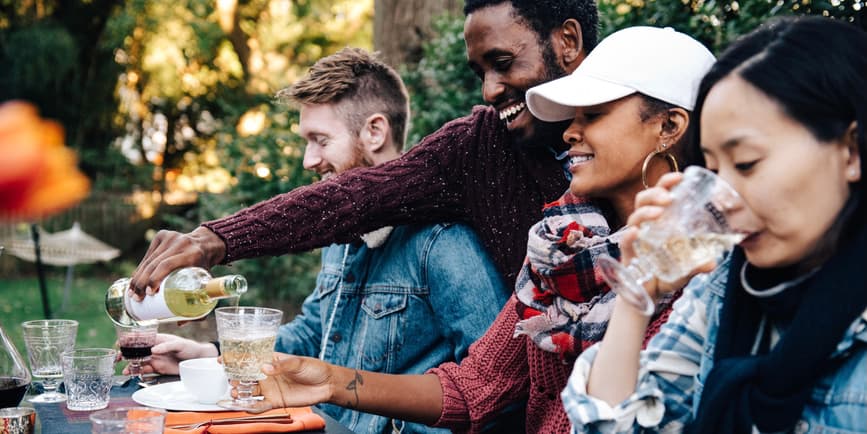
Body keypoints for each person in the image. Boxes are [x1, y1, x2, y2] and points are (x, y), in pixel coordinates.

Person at [253, 27, 716, 434]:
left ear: (668, 125)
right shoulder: (558, 245)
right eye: (571, 118)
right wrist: (331, 381)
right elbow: (475, 389)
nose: (569, 133)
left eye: (591, 115)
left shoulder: (711, 266)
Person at [132, 47, 508, 434]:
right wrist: (210, 357)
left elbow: (496, 392)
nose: (309, 161)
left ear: (375, 131)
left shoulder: (444, 242)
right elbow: (315, 335)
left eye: (321, 140)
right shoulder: (340, 236)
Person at [128, 0, 600, 299]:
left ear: (568, 41)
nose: (490, 91)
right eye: (480, 73)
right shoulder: (477, 148)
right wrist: (215, 239)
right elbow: (352, 197)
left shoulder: (654, 129)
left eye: (502, 63)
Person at [563, 16, 867, 434]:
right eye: (713, 169)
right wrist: (636, 298)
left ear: (851, 152)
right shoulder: (727, 287)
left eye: (746, 163)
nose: (724, 199)